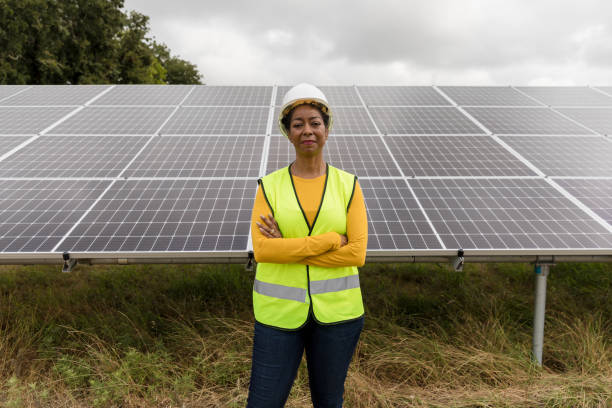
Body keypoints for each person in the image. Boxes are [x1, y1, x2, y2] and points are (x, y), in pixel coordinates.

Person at [246, 83, 368, 408]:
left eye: (315, 122)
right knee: (263, 402)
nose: (307, 130)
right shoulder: (268, 186)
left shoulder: (349, 185)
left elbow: (357, 253)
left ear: (327, 128)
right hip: (278, 317)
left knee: (329, 402)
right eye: (298, 124)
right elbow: (264, 251)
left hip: (339, 316)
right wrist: (329, 241)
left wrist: (288, 246)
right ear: (288, 132)